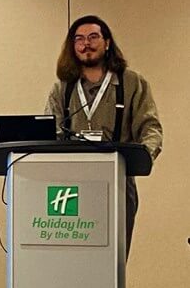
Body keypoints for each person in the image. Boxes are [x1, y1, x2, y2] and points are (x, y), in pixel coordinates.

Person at [45, 15, 162, 253]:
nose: (86, 44)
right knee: (74, 258)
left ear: (107, 42)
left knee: (112, 258)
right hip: (72, 186)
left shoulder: (132, 83)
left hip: (117, 182)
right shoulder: (62, 87)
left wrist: (142, 156)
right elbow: (51, 133)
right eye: (79, 39)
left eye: (93, 37)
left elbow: (151, 128)